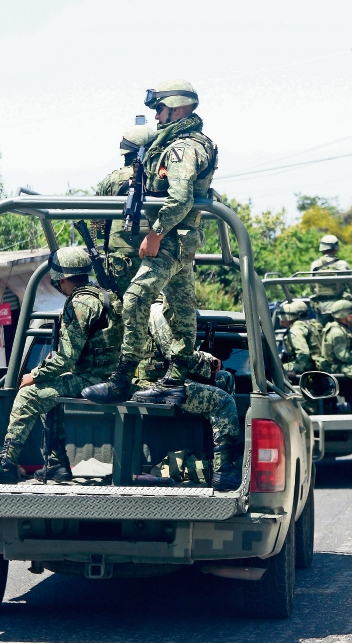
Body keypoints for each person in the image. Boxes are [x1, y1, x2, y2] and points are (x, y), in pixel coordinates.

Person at [83, 79, 218, 406]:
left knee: (135, 298)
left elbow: (181, 198)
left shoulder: (182, 148)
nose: (157, 117)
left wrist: (155, 234)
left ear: (178, 107)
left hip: (170, 238)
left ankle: (122, 379)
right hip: (185, 240)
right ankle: (176, 378)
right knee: (181, 308)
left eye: (160, 109)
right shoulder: (196, 142)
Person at [0, 247, 122, 485]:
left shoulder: (79, 304)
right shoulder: (103, 296)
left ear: (61, 278)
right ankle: (57, 463)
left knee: (29, 394)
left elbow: (66, 358)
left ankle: (6, 465)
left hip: (93, 379)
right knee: (50, 392)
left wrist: (35, 375)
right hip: (110, 377)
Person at [135, 304, 242, 491]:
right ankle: (222, 472)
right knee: (223, 401)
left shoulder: (160, 307)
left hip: (165, 379)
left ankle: (211, 458)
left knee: (225, 378)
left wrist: (208, 362)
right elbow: (175, 352)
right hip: (156, 384)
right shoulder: (157, 310)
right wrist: (207, 363)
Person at [94, 123, 157, 292]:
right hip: (156, 262)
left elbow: (97, 224)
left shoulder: (111, 180)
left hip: (119, 265)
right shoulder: (160, 179)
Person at [309, 234, 352, 320]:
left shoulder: (315, 265)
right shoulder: (342, 264)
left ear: (322, 248)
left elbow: (312, 287)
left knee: (321, 332)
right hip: (340, 307)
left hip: (321, 307)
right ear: (336, 248)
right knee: (344, 331)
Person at [278, 300, 322, 375]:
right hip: (316, 364)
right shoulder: (312, 324)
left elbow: (304, 353)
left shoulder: (296, 330)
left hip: (309, 367)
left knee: (275, 368)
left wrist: (295, 370)